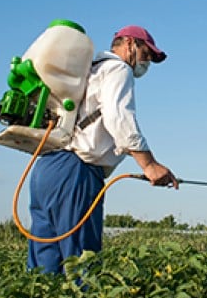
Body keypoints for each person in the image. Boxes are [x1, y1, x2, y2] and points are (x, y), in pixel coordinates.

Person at [27, 25, 179, 274]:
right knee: (82, 264)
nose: (147, 62)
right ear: (130, 44)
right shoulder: (118, 69)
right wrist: (149, 165)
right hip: (76, 172)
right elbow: (119, 117)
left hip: (46, 167)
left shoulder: (88, 71)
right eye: (146, 54)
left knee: (44, 265)